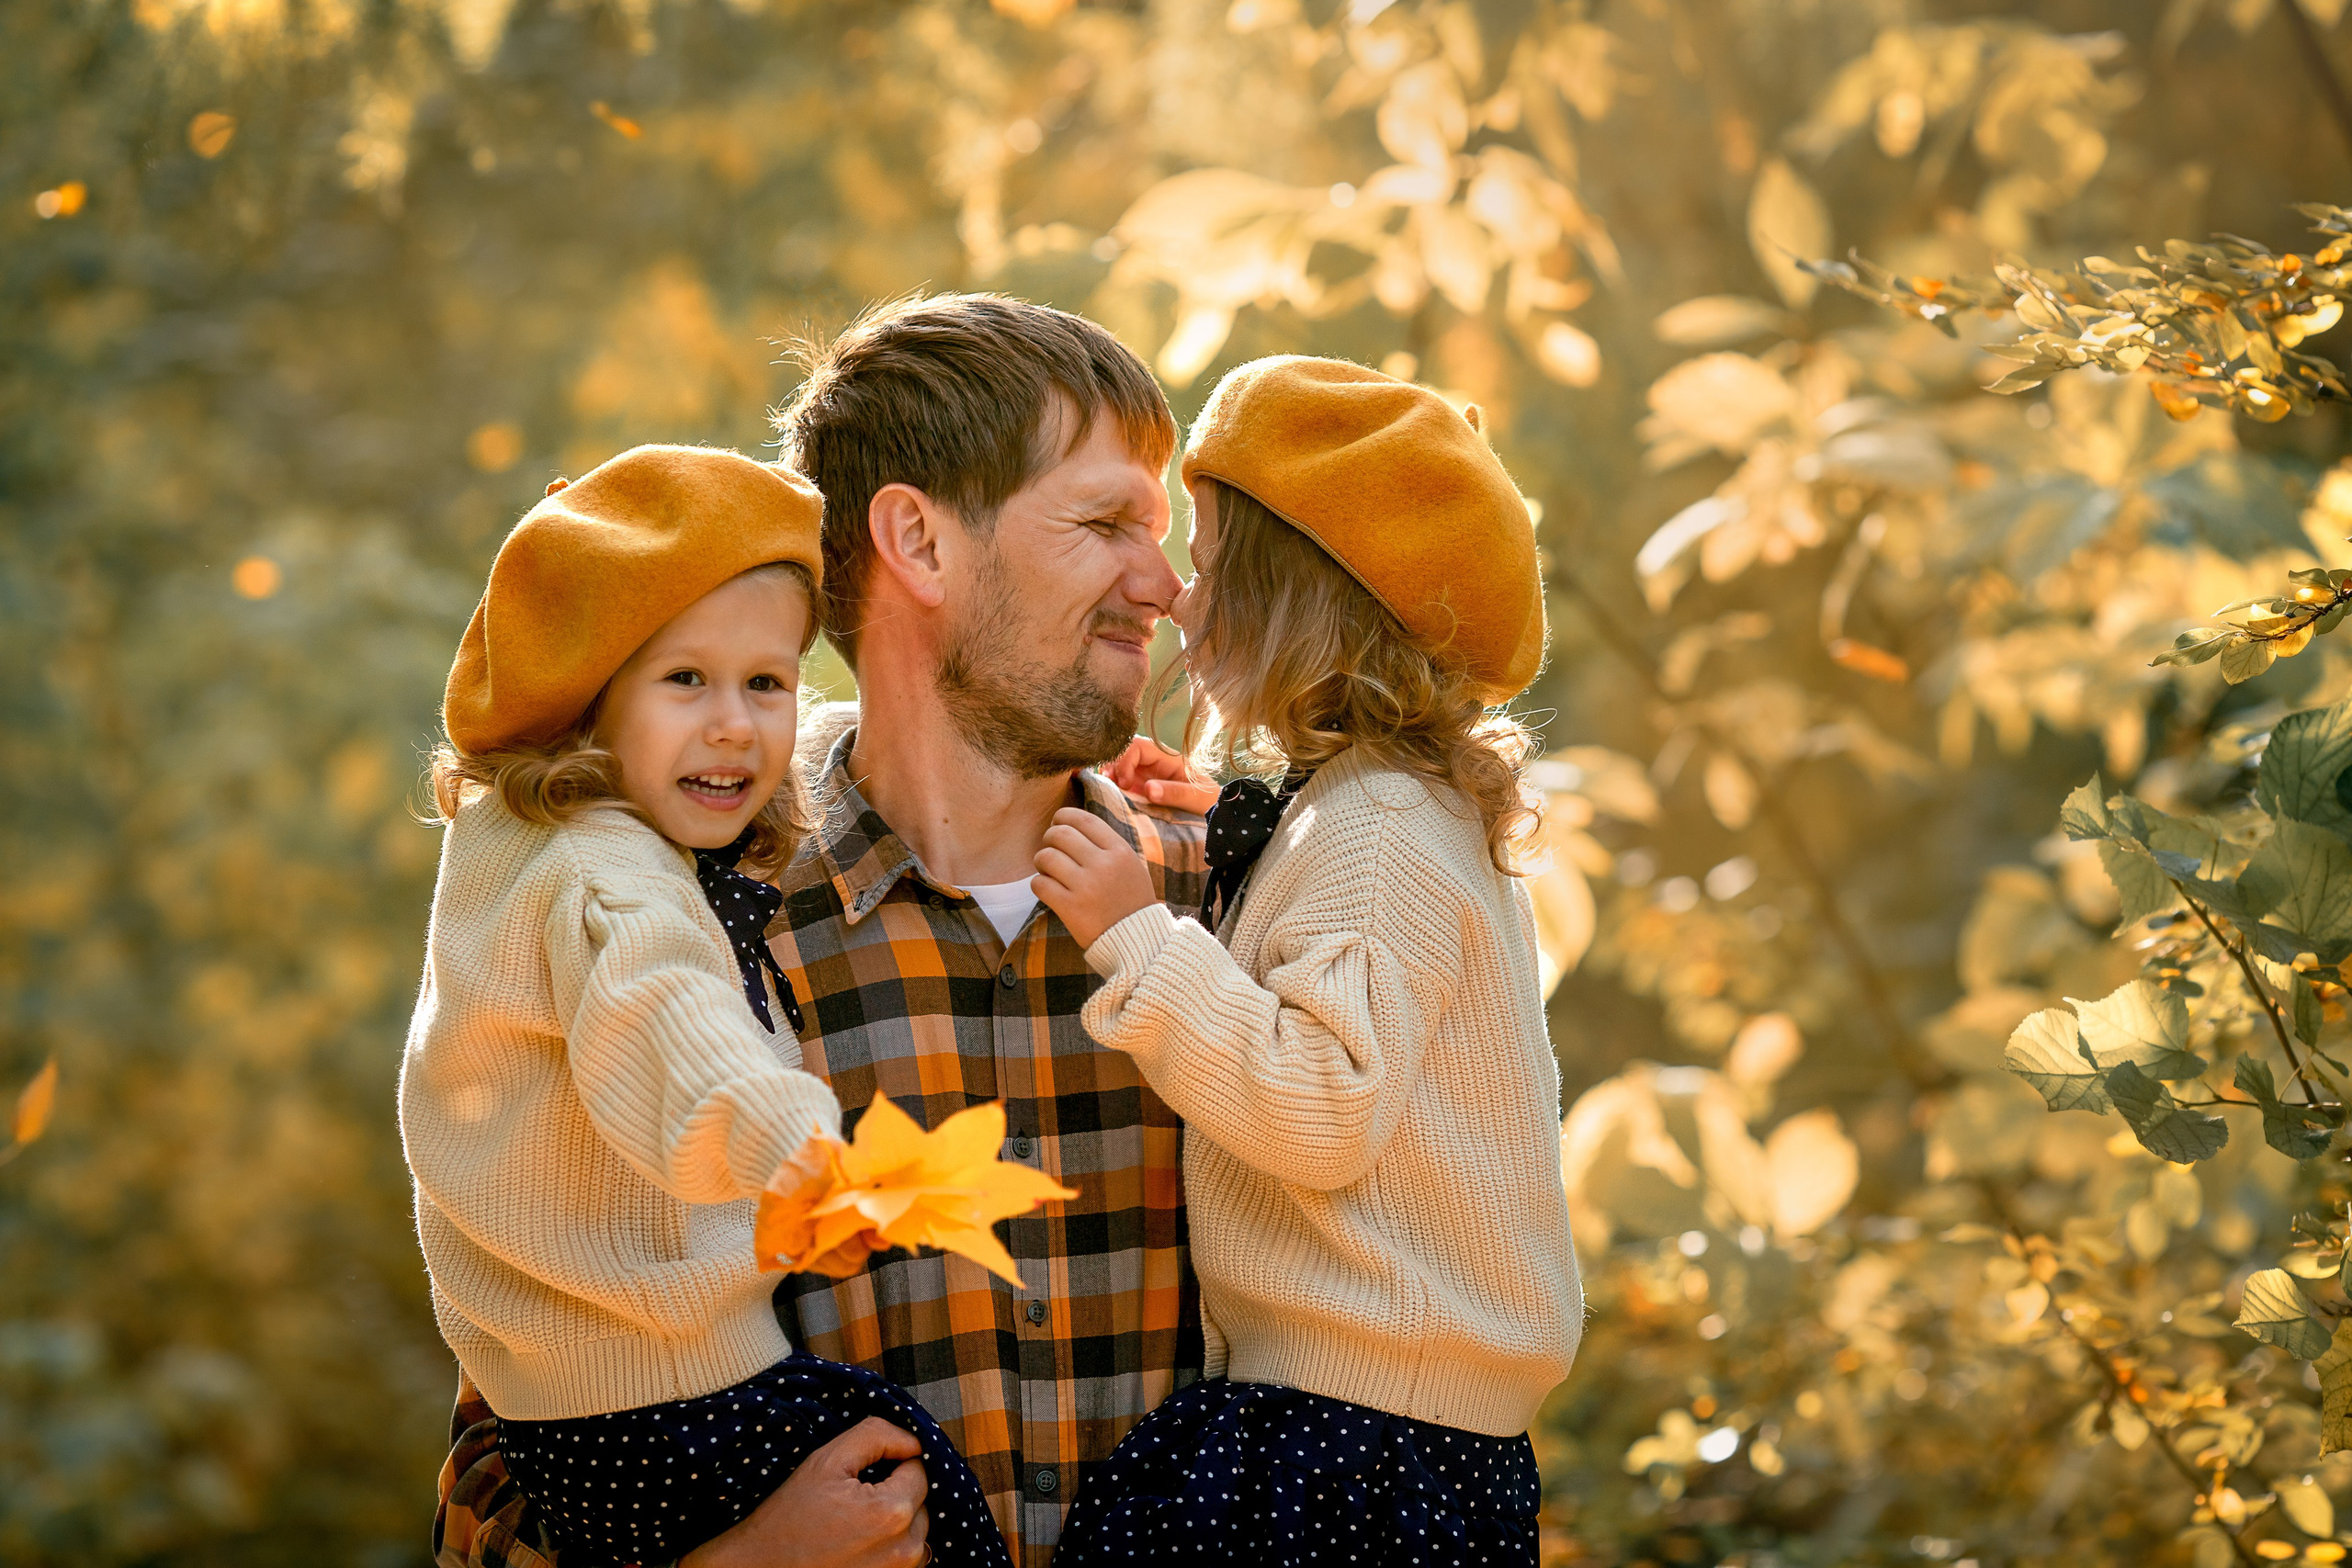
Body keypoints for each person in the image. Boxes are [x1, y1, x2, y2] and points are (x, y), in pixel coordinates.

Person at [433, 296, 1210, 1568]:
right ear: (917, 538)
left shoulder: (1220, 904)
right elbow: (514, 1447)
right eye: (1106, 521)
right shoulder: (678, 913)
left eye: (1162, 531)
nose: (1163, 583)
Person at [404, 444, 1013, 1568]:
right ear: (591, 694)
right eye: (685, 680)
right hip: (664, 1405)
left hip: (567, 1410)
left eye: (767, 683)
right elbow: (671, 1030)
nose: (735, 723)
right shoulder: (608, 879)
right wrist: (803, 1155)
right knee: (922, 1497)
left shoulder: (532, 838)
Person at [1027, 356, 1583, 1565]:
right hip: (1403, 1424)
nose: (1178, 594)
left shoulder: (1374, 831)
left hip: (1346, 1445)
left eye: (1213, 560)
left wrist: (1136, 934)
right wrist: (1228, 828)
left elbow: (1323, 1102)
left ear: (1294, 601)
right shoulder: (1382, 808)